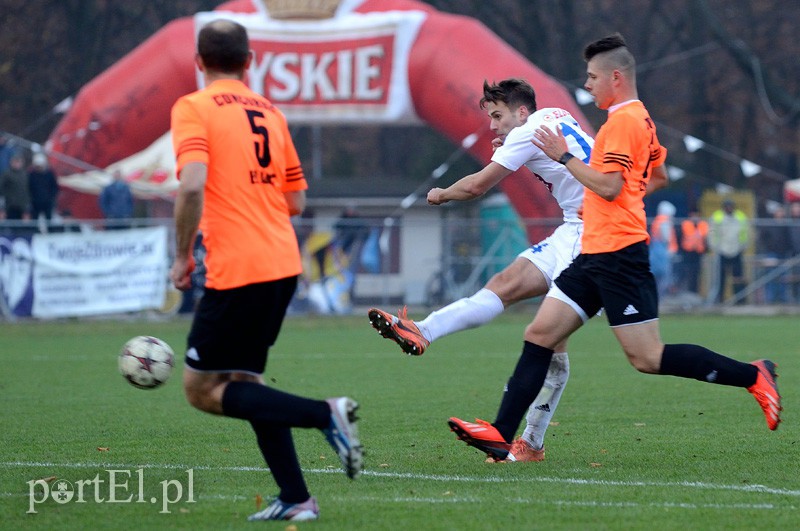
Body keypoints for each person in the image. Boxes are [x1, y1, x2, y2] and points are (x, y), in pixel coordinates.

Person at [447, 33, 781, 463]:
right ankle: (501, 434)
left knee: (647, 357)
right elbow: (656, 177)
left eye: (592, 77)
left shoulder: (623, 123)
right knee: (540, 334)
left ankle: (753, 375)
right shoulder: (639, 120)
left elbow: (607, 187)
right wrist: (616, 192)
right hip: (595, 250)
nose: (587, 86)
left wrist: (565, 157)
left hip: (619, 253)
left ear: (616, 78)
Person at [169, 20, 362, 523]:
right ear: (249, 61)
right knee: (243, 380)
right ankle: (297, 498)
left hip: (238, 266)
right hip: (281, 262)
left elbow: (191, 186)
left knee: (200, 389)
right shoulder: (270, 111)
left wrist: (182, 255)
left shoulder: (193, 107)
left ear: (198, 61)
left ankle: (326, 414)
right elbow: (296, 200)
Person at [368, 78, 594, 462]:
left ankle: (531, 442)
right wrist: (512, 146)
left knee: (558, 343)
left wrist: (441, 194)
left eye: (497, 115)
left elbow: (476, 187)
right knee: (504, 286)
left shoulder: (526, 131)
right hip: (572, 230)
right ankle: (422, 330)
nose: (493, 125)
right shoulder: (556, 115)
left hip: (591, 237)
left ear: (521, 111)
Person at [709, 198, 750, 304]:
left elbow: (745, 233)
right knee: (720, 277)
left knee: (738, 277)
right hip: (722, 250)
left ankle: (739, 299)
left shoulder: (740, 217)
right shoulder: (717, 216)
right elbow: (712, 233)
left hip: (736, 249)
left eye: (731, 206)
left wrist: (743, 246)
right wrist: (715, 247)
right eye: (727, 207)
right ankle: (719, 299)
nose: (729, 208)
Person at [757, 204, 790, 304]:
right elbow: (762, 238)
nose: (780, 213)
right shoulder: (769, 224)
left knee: (783, 278)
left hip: (783, 254)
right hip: (771, 254)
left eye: (781, 211)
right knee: (770, 276)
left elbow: (789, 239)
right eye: (778, 211)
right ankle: (770, 299)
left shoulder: (786, 225)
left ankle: (782, 299)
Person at [649, 200, 677, 296]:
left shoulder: (657, 220)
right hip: (664, 251)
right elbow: (667, 238)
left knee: (656, 274)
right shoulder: (665, 221)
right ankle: (660, 296)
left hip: (656, 250)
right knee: (665, 276)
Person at [678, 209, 708, 295]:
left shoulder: (703, 224)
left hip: (698, 253)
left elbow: (705, 239)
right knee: (686, 273)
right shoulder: (685, 224)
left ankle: (694, 292)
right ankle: (685, 292)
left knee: (696, 274)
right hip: (687, 252)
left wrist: (705, 250)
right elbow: (681, 237)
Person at [27, 153, 59, 228]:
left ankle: (50, 234)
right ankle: (34, 233)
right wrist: (31, 198)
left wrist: (51, 198)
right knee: (34, 220)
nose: (39, 168)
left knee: (49, 220)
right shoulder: (31, 174)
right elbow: (28, 187)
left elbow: (54, 187)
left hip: (47, 202)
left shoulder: (50, 174)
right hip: (35, 202)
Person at [0, 153, 31, 220]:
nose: (17, 164)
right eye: (15, 161)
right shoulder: (6, 174)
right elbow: (1, 190)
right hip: (9, 206)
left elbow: (28, 192)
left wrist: (27, 209)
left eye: (18, 161)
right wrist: (2, 209)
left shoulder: (25, 175)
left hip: (22, 207)